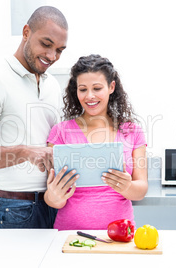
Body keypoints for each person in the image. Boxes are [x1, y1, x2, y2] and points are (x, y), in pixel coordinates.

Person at [0, 6, 69, 229]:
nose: (52, 56)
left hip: (52, 206)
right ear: (26, 32)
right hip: (10, 209)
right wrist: (25, 152)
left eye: (59, 50)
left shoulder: (52, 85)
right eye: (46, 44)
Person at [44, 54, 148, 230]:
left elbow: (141, 189)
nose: (89, 96)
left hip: (120, 235)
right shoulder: (60, 132)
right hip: (69, 235)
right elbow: (53, 200)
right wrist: (54, 195)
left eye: (97, 88)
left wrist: (126, 186)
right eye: (83, 89)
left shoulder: (132, 131)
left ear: (111, 87)